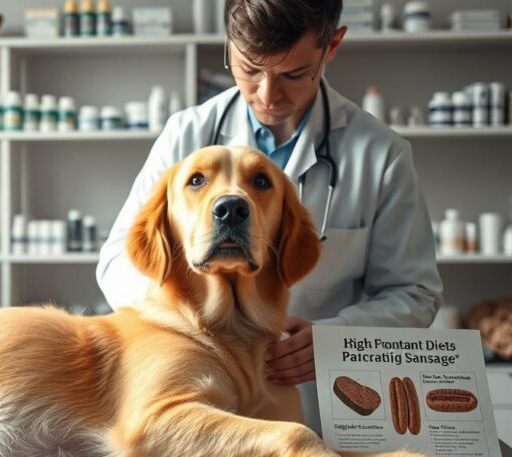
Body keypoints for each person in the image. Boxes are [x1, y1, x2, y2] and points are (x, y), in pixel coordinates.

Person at [95, 0, 442, 432]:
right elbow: (118, 261)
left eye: (293, 74)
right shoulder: (187, 134)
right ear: (229, 43)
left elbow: (414, 292)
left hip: (319, 398)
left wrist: (337, 339)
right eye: (249, 69)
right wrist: (185, 325)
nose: (267, 95)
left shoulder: (381, 155)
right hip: (200, 391)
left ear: (332, 45)